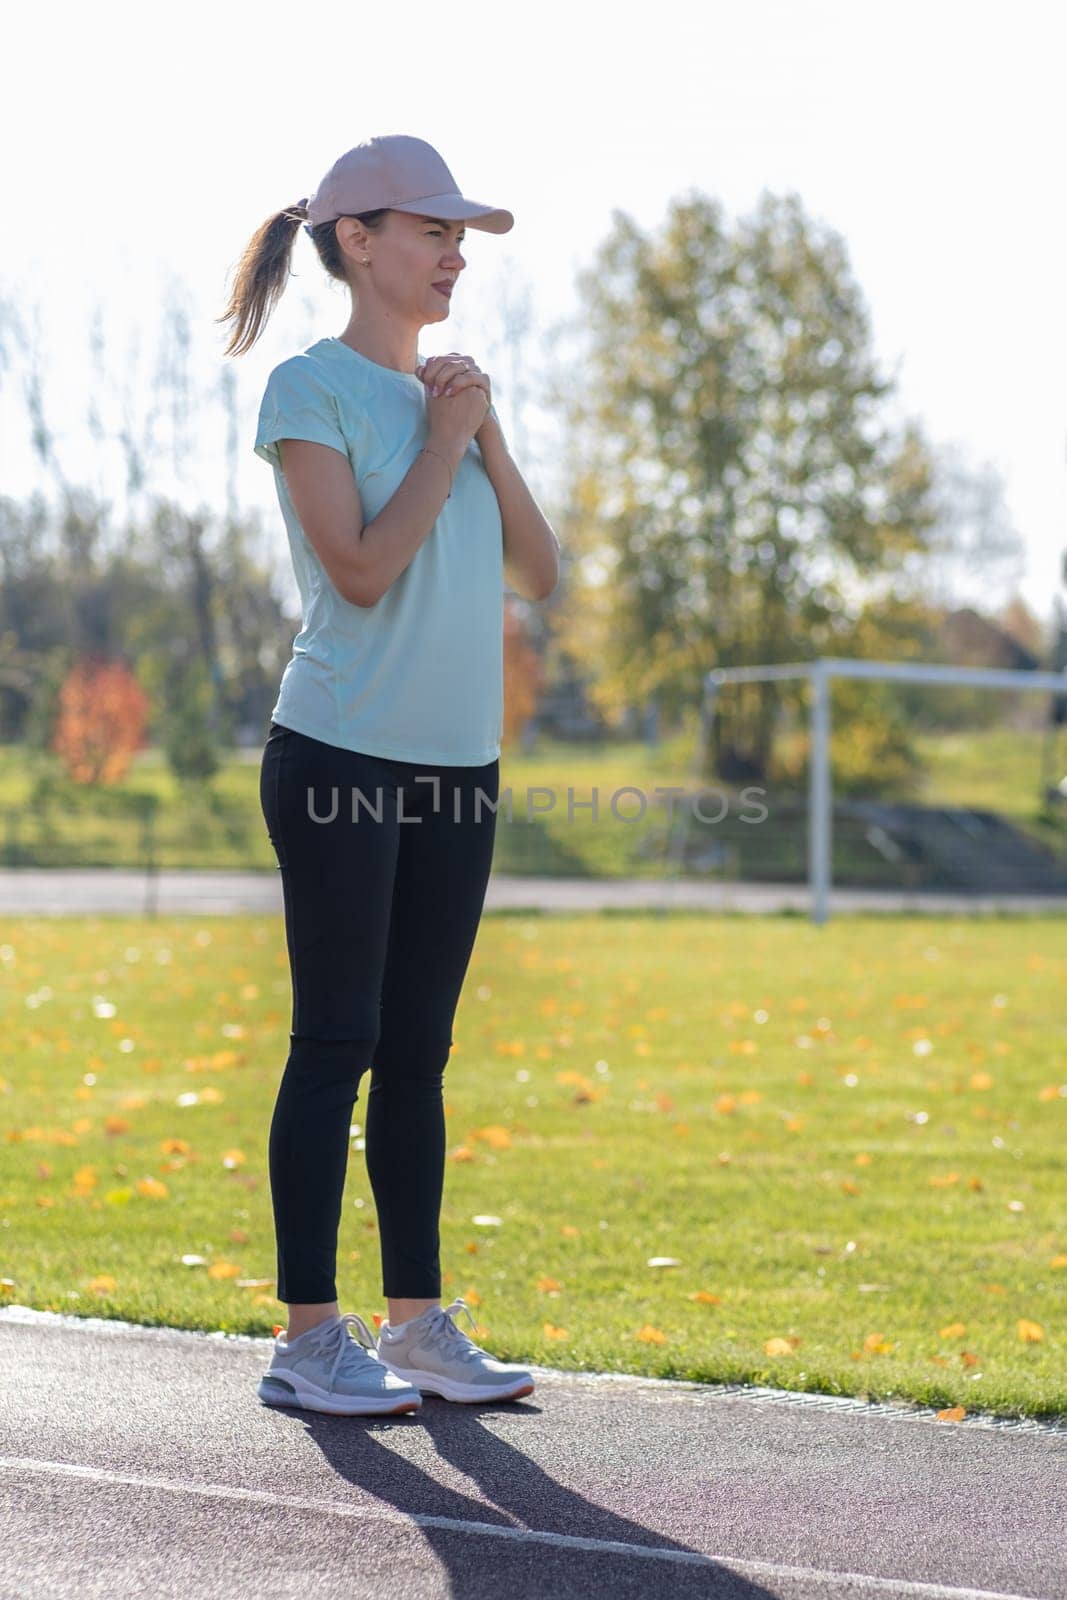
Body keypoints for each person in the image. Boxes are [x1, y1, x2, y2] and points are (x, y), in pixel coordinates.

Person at [218, 135, 560, 1415]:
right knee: (338, 1041)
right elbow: (359, 570)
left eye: (459, 238)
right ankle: (309, 1341)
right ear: (358, 240)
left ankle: (415, 1327)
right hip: (338, 756)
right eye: (432, 232)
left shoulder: (452, 404)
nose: (453, 255)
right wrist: (437, 443)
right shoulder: (308, 389)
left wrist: (483, 435)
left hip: (455, 770)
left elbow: (539, 571)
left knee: (418, 1049)